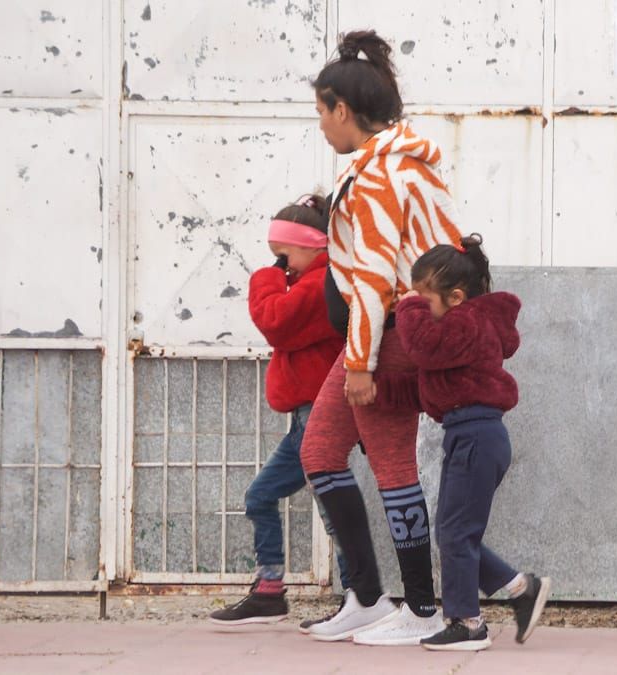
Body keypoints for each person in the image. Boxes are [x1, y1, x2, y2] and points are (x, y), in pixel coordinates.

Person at [299, 30, 463, 645]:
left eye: (321, 111)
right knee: (319, 452)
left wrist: (362, 362)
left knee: (392, 463)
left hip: (386, 334)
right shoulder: (398, 167)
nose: (320, 125)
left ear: (344, 108)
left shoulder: (374, 179)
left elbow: (371, 279)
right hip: (382, 334)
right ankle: (367, 597)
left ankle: (421, 609)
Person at [395, 235, 551, 651]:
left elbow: (422, 347)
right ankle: (521, 589)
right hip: (469, 434)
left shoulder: (469, 322)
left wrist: (406, 305)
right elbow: (430, 386)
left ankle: (468, 623)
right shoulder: (462, 326)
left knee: (456, 532)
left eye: (423, 297)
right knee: (453, 531)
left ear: (457, 297)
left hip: (478, 435)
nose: (417, 305)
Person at [208, 195, 350, 627]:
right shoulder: (310, 279)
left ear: (311, 246)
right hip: (305, 416)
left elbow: (276, 321)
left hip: (318, 414)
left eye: (284, 255)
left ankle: (360, 595)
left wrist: (265, 279)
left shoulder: (321, 282)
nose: (280, 266)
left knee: (331, 509)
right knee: (261, 496)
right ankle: (270, 590)